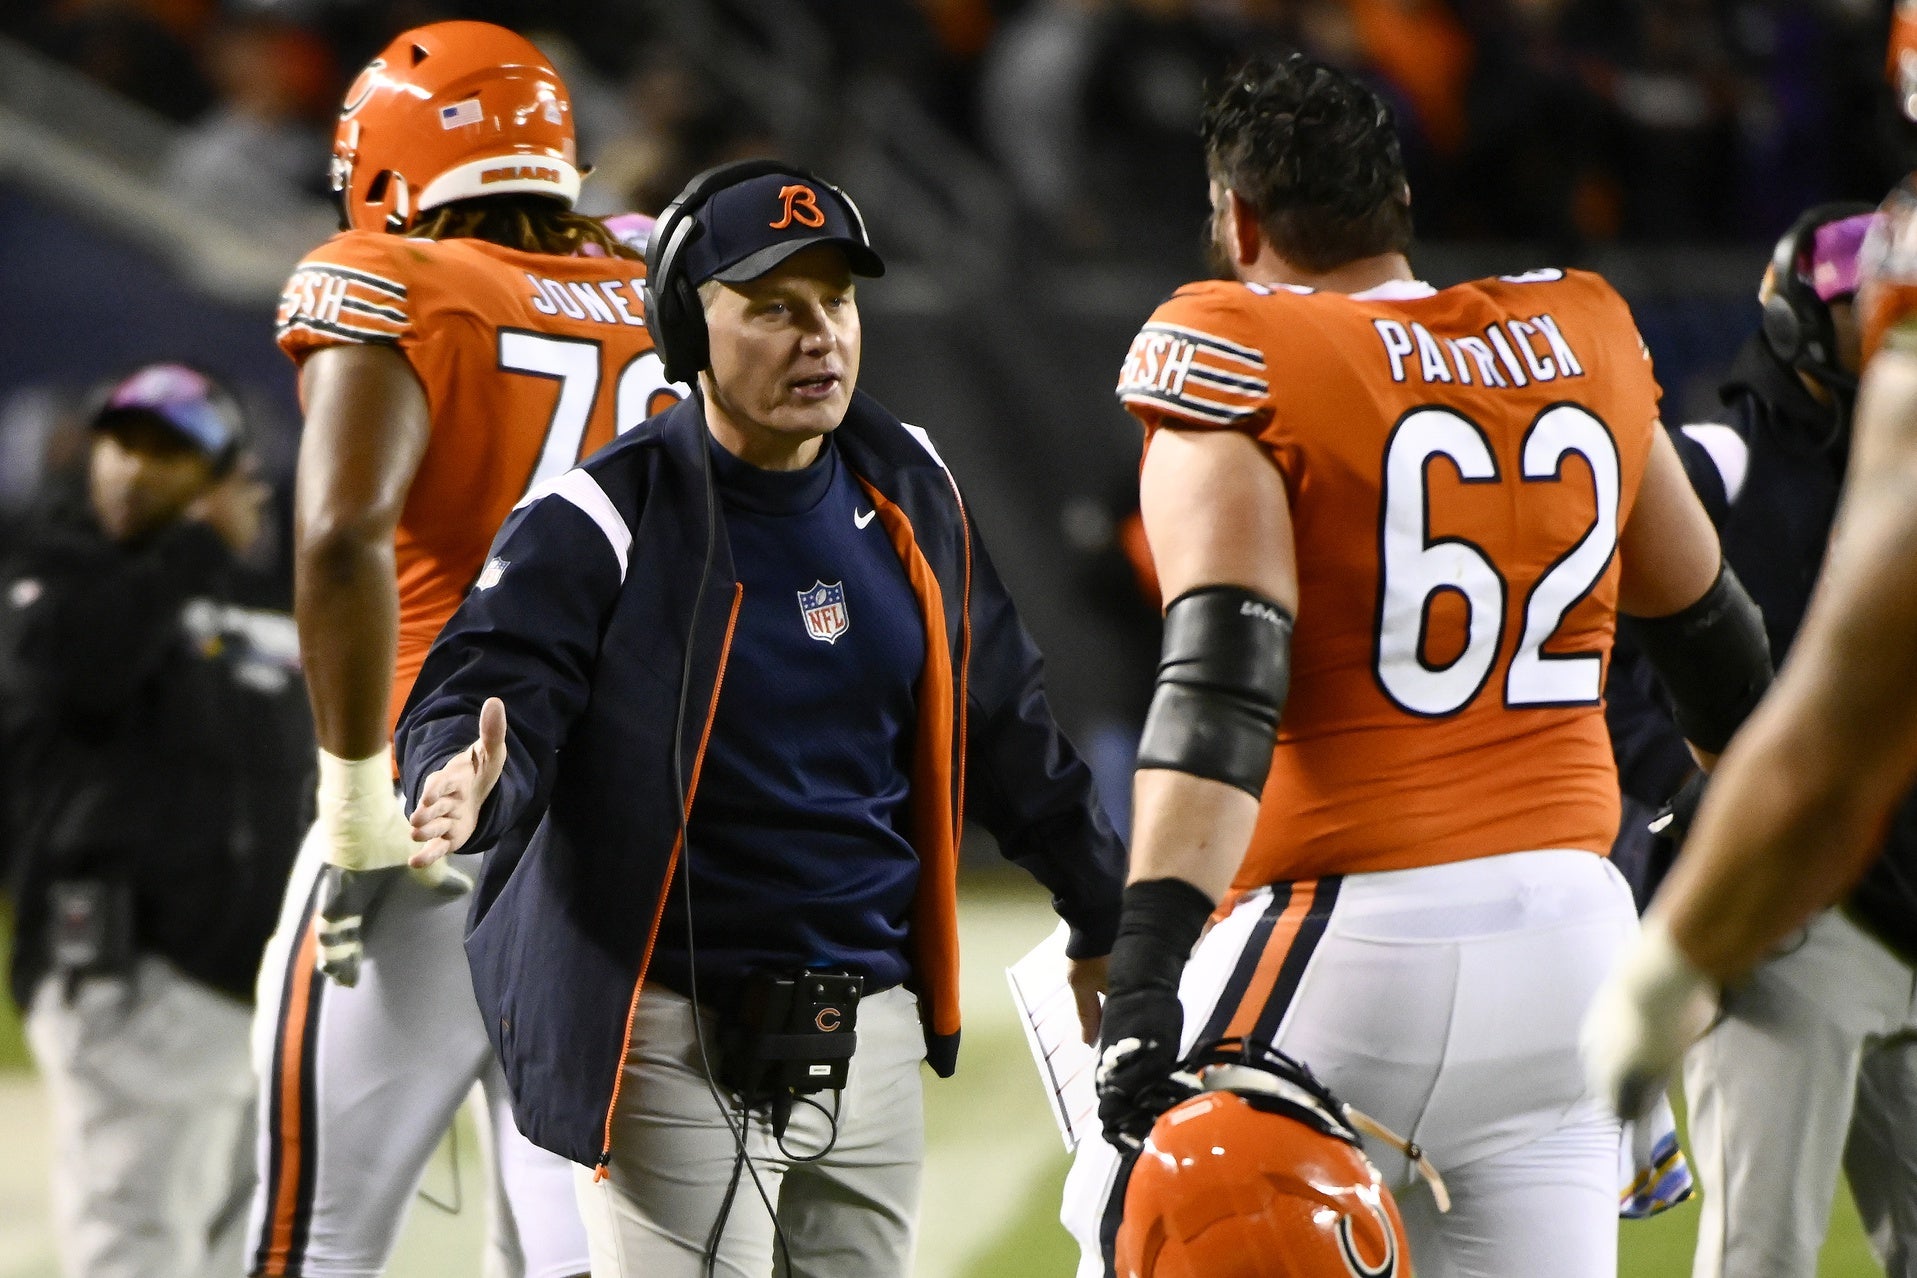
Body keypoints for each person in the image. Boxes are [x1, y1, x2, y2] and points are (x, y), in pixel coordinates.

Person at [1064, 52, 1773, 1278]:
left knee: (1138, 1225)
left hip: (1344, 941)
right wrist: (1707, 878)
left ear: (1238, 218)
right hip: (1571, 946)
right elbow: (1714, 638)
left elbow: (1220, 691)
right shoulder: (1579, 336)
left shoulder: (1235, 348)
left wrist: (1143, 979)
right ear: (1398, 199)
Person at [394, 158, 1126, 1278]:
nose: (818, 336)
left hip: (868, 1023)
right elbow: (488, 686)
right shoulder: (603, 514)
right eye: (773, 309)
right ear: (687, 332)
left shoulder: (909, 481)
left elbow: (1006, 721)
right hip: (677, 1034)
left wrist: (1103, 908)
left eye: (836, 302)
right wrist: (461, 772)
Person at [245, 20, 669, 1278]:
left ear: (386, 167)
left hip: (434, 810)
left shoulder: (392, 281)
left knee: (311, 1236)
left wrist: (353, 800)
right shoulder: (667, 295)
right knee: (570, 1248)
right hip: (623, 830)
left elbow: (337, 538)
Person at [1581, 0, 1917, 1171]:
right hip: (1815, 896)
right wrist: (1685, 814)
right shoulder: (1719, 462)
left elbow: (1831, 721)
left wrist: (1671, 956)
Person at [0, 362, 301, 1278]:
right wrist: (199, 546)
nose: (135, 469)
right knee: (134, 1242)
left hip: (258, 982)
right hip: (127, 964)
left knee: (232, 1248)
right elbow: (81, 673)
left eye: (172, 454)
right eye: (122, 444)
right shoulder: (53, 571)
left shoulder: (267, 606)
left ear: (228, 475)